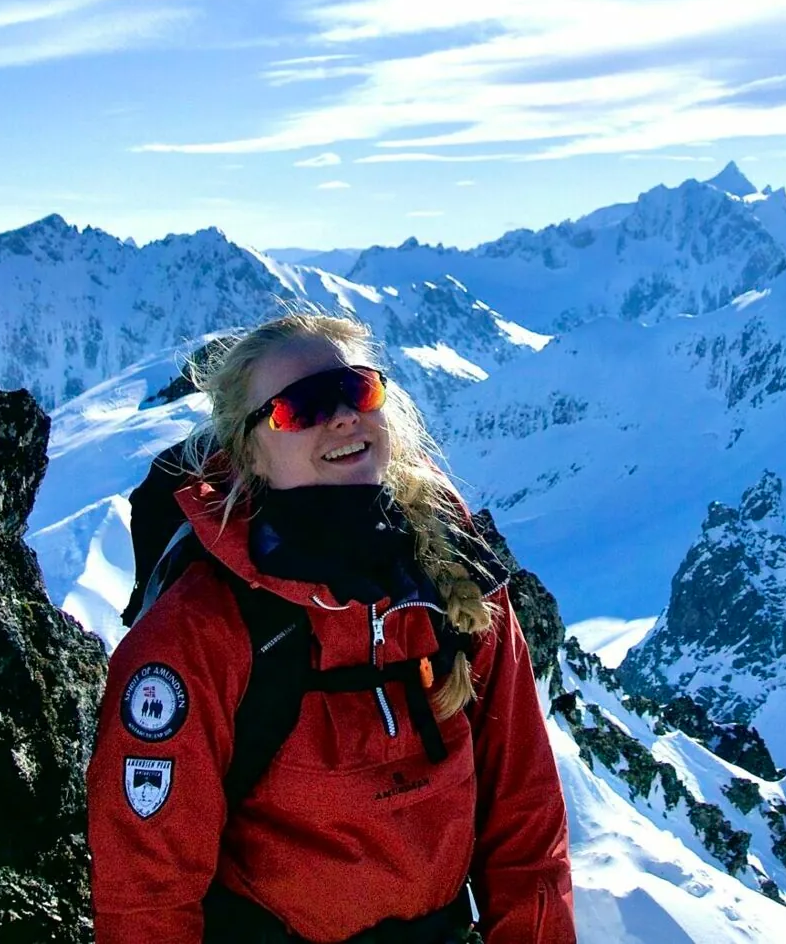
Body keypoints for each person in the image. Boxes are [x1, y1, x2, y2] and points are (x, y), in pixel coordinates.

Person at [86, 312, 574, 943]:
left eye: (357, 390)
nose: (342, 416)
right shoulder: (196, 634)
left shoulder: (457, 581)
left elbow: (525, 822)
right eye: (302, 407)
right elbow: (147, 891)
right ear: (250, 450)